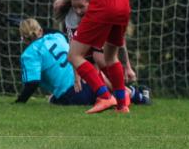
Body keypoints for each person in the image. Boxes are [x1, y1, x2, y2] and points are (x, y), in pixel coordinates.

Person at [14, 18, 150, 107]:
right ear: (40, 30)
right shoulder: (57, 36)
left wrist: (19, 102)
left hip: (74, 94)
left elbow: (32, 83)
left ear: (23, 39)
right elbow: (50, 31)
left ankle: (122, 97)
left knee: (52, 99)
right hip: (90, 82)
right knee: (98, 72)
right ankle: (135, 94)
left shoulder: (29, 54)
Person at [59, 0, 147, 98]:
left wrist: (127, 67)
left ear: (92, 2)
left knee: (99, 58)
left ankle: (130, 94)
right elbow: (73, 51)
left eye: (81, 7)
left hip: (99, 43)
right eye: (74, 7)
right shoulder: (72, 18)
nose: (78, 11)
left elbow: (119, 41)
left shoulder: (102, 13)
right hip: (85, 47)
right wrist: (76, 76)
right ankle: (119, 96)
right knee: (95, 72)